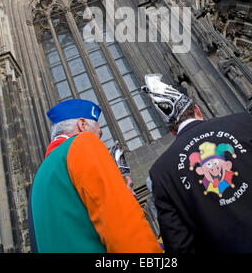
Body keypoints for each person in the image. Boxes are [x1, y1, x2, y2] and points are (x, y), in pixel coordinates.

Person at [143, 74, 252, 253]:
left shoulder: (162, 174)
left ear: (172, 131)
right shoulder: (241, 122)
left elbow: (180, 247)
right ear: (197, 109)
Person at [28, 98, 163, 253]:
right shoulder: (83, 143)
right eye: (99, 135)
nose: (99, 141)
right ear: (82, 125)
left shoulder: (38, 180)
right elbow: (123, 228)